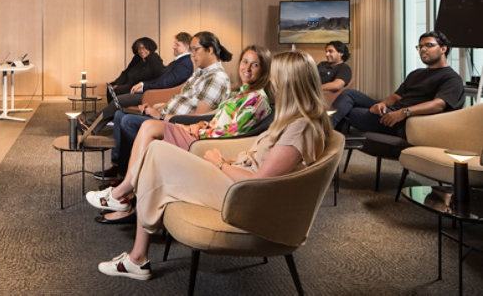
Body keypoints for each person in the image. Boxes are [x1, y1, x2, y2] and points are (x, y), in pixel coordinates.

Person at [92, 50, 331, 281]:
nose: (273, 83)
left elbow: (260, 180)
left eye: (276, 78)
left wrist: (219, 164)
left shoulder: (300, 127)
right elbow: (261, 162)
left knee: (157, 152)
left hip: (245, 196)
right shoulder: (293, 119)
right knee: (156, 151)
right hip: (239, 180)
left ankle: (128, 223)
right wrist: (228, 160)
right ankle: (135, 245)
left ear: (292, 83)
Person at [91, 45, 273, 224]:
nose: (247, 68)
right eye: (245, 62)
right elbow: (219, 119)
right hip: (202, 131)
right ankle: (126, 193)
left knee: (146, 130)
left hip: (206, 143)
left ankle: (123, 193)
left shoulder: (257, 100)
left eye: (255, 65)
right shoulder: (241, 93)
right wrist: (201, 123)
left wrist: (193, 127)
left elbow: (231, 133)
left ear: (263, 70)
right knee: (145, 127)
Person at [104, 31, 232, 180]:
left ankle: (135, 176)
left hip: (177, 124)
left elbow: (198, 118)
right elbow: (182, 98)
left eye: (195, 49)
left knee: (128, 121)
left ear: (209, 50)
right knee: (120, 115)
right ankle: (122, 169)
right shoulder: (201, 73)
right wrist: (157, 108)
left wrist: (162, 116)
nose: (192, 54)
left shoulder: (215, 78)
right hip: (166, 115)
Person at [330, 30, 464, 137]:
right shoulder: (416, 73)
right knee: (349, 94)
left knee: (349, 112)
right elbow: (396, 97)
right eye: (420, 46)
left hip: (406, 121)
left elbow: (438, 105)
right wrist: (382, 103)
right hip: (393, 110)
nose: (423, 49)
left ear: (443, 49)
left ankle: (325, 134)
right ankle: (328, 133)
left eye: (429, 45)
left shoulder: (451, 78)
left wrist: (404, 112)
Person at [91, 32, 193, 134]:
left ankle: (92, 123)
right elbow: (162, 80)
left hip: (156, 95)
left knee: (119, 100)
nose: (173, 47)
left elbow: (167, 83)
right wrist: (143, 84)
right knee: (118, 100)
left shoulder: (185, 63)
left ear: (186, 47)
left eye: (177, 45)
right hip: (153, 92)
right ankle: (94, 126)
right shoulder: (180, 61)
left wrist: (145, 86)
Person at [106, 37, 165, 101]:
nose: (141, 51)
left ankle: (116, 109)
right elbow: (126, 72)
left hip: (139, 87)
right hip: (129, 84)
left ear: (150, 48)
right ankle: (115, 109)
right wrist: (117, 83)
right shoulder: (137, 58)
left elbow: (159, 76)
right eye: (139, 48)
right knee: (110, 87)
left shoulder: (154, 58)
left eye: (144, 48)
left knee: (117, 90)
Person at [317, 40, 352, 106]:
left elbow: (337, 85)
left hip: (322, 97)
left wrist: (315, 88)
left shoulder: (344, 68)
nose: (327, 54)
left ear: (341, 53)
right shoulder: (322, 64)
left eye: (330, 51)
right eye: (326, 52)